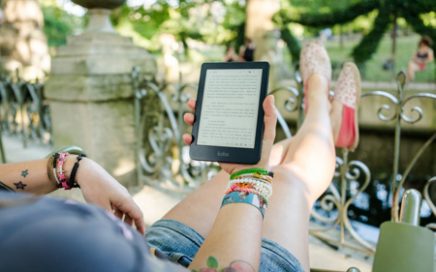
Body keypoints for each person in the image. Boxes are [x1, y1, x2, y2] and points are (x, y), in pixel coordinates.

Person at [0, 41, 361, 271]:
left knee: (264, 164)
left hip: (155, 248)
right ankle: (320, 104)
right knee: (291, 179)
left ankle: (325, 123)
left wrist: (74, 168)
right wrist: (249, 178)